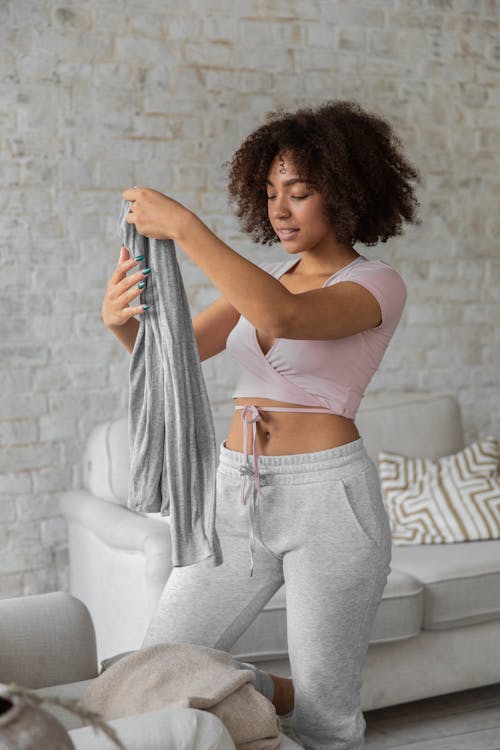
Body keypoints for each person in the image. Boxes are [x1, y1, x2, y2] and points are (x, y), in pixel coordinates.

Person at [101, 100, 420, 750]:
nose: (279, 209)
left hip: (328, 503)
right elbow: (176, 358)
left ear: (347, 193)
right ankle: (273, 688)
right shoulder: (269, 276)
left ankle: (313, 697)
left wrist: (186, 227)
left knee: (328, 725)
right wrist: (121, 324)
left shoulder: (377, 284)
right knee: (154, 669)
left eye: (298, 193)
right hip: (233, 495)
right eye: (270, 192)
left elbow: (285, 319)